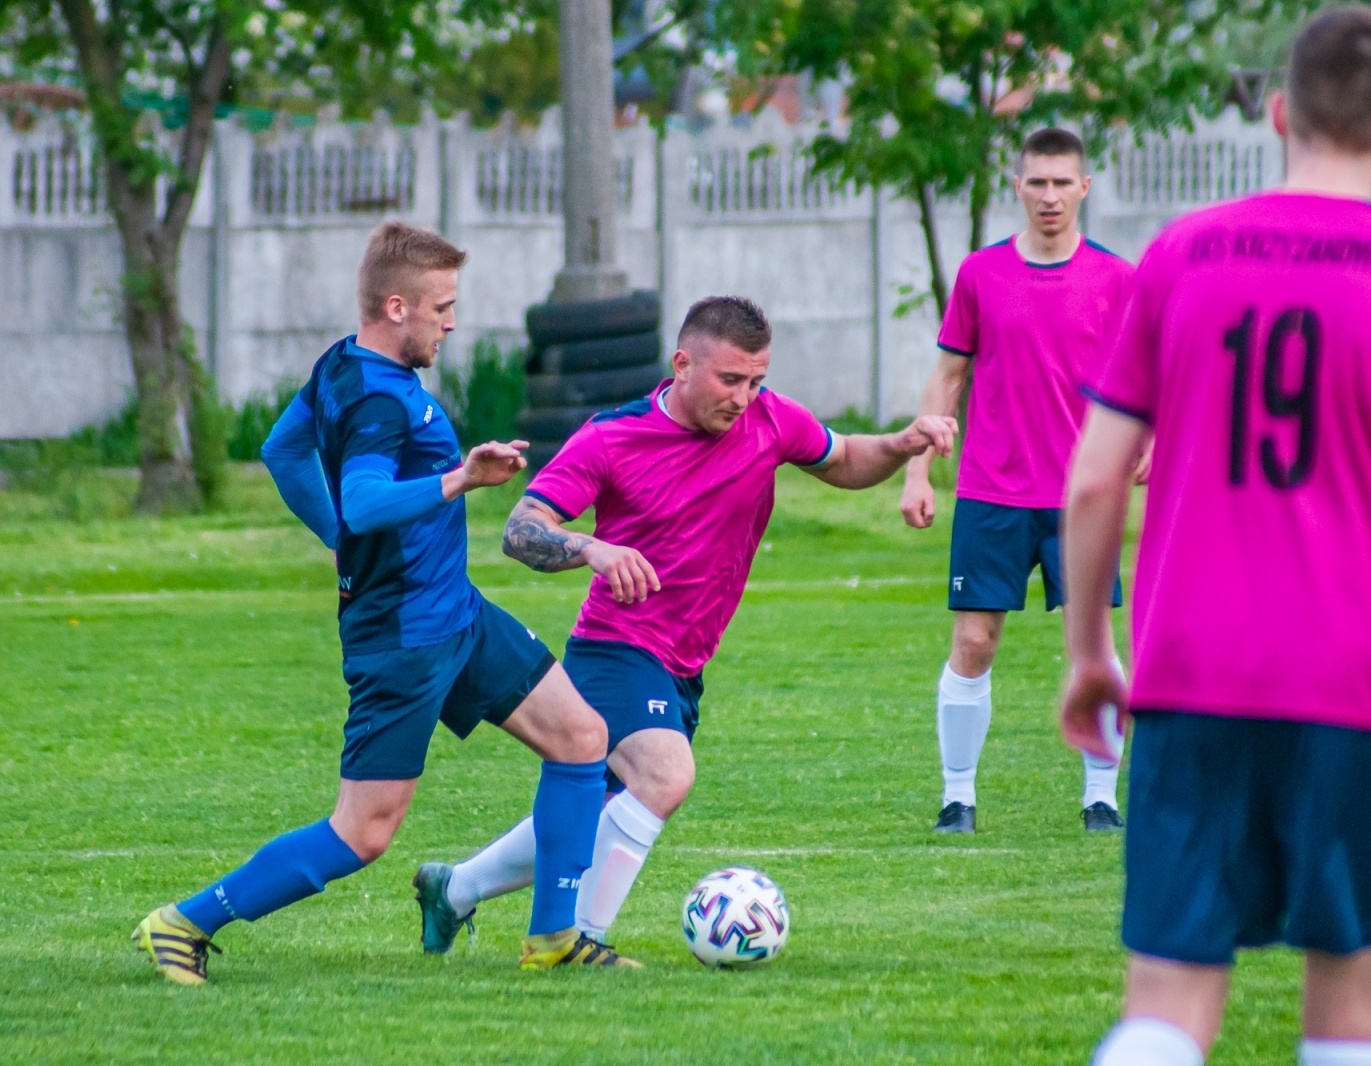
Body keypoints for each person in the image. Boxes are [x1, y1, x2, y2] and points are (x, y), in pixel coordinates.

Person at [1058, 8, 1371, 1065]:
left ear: (1277, 112)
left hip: (1189, 673)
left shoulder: (1178, 256)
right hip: (1358, 684)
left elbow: (1092, 482)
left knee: (1166, 1011)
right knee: (1351, 1018)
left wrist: (1091, 647)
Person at [133, 221, 631, 982]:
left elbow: (282, 449)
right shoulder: (378, 401)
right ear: (396, 307)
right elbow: (365, 502)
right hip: (403, 639)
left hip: (454, 615)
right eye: (442, 307)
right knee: (364, 832)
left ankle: (555, 937)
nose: (452, 322)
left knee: (582, 738)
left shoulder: (340, 364)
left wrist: (335, 533)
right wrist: (457, 480)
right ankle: (183, 922)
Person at [410, 295, 958, 956]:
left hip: (684, 660)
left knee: (590, 811)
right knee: (665, 775)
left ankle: (454, 889)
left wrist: (901, 445)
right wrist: (591, 547)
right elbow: (522, 529)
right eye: (731, 380)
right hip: (616, 647)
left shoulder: (772, 420)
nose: (745, 396)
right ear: (682, 364)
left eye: (756, 380)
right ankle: (574, 941)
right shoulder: (612, 437)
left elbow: (843, 460)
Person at [900, 128, 1137, 835]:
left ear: (1084, 188)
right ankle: (958, 798)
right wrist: (918, 469)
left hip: (1084, 495)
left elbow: (1142, 377)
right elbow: (948, 376)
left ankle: (1102, 799)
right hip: (990, 492)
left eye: (1063, 182)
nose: (1050, 196)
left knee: (1091, 645)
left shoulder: (1117, 279)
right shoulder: (979, 274)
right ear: (1018, 187)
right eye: (1038, 182)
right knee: (974, 641)